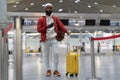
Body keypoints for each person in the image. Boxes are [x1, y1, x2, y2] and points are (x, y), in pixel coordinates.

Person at [37, 3, 69, 77]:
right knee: (46, 55)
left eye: (50, 8)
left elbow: (61, 25)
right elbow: (39, 30)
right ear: (45, 9)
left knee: (56, 54)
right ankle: (48, 70)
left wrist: (66, 31)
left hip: (54, 38)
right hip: (45, 40)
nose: (49, 9)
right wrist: (46, 27)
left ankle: (55, 70)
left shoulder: (55, 18)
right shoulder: (41, 19)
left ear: (52, 9)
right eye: (47, 8)